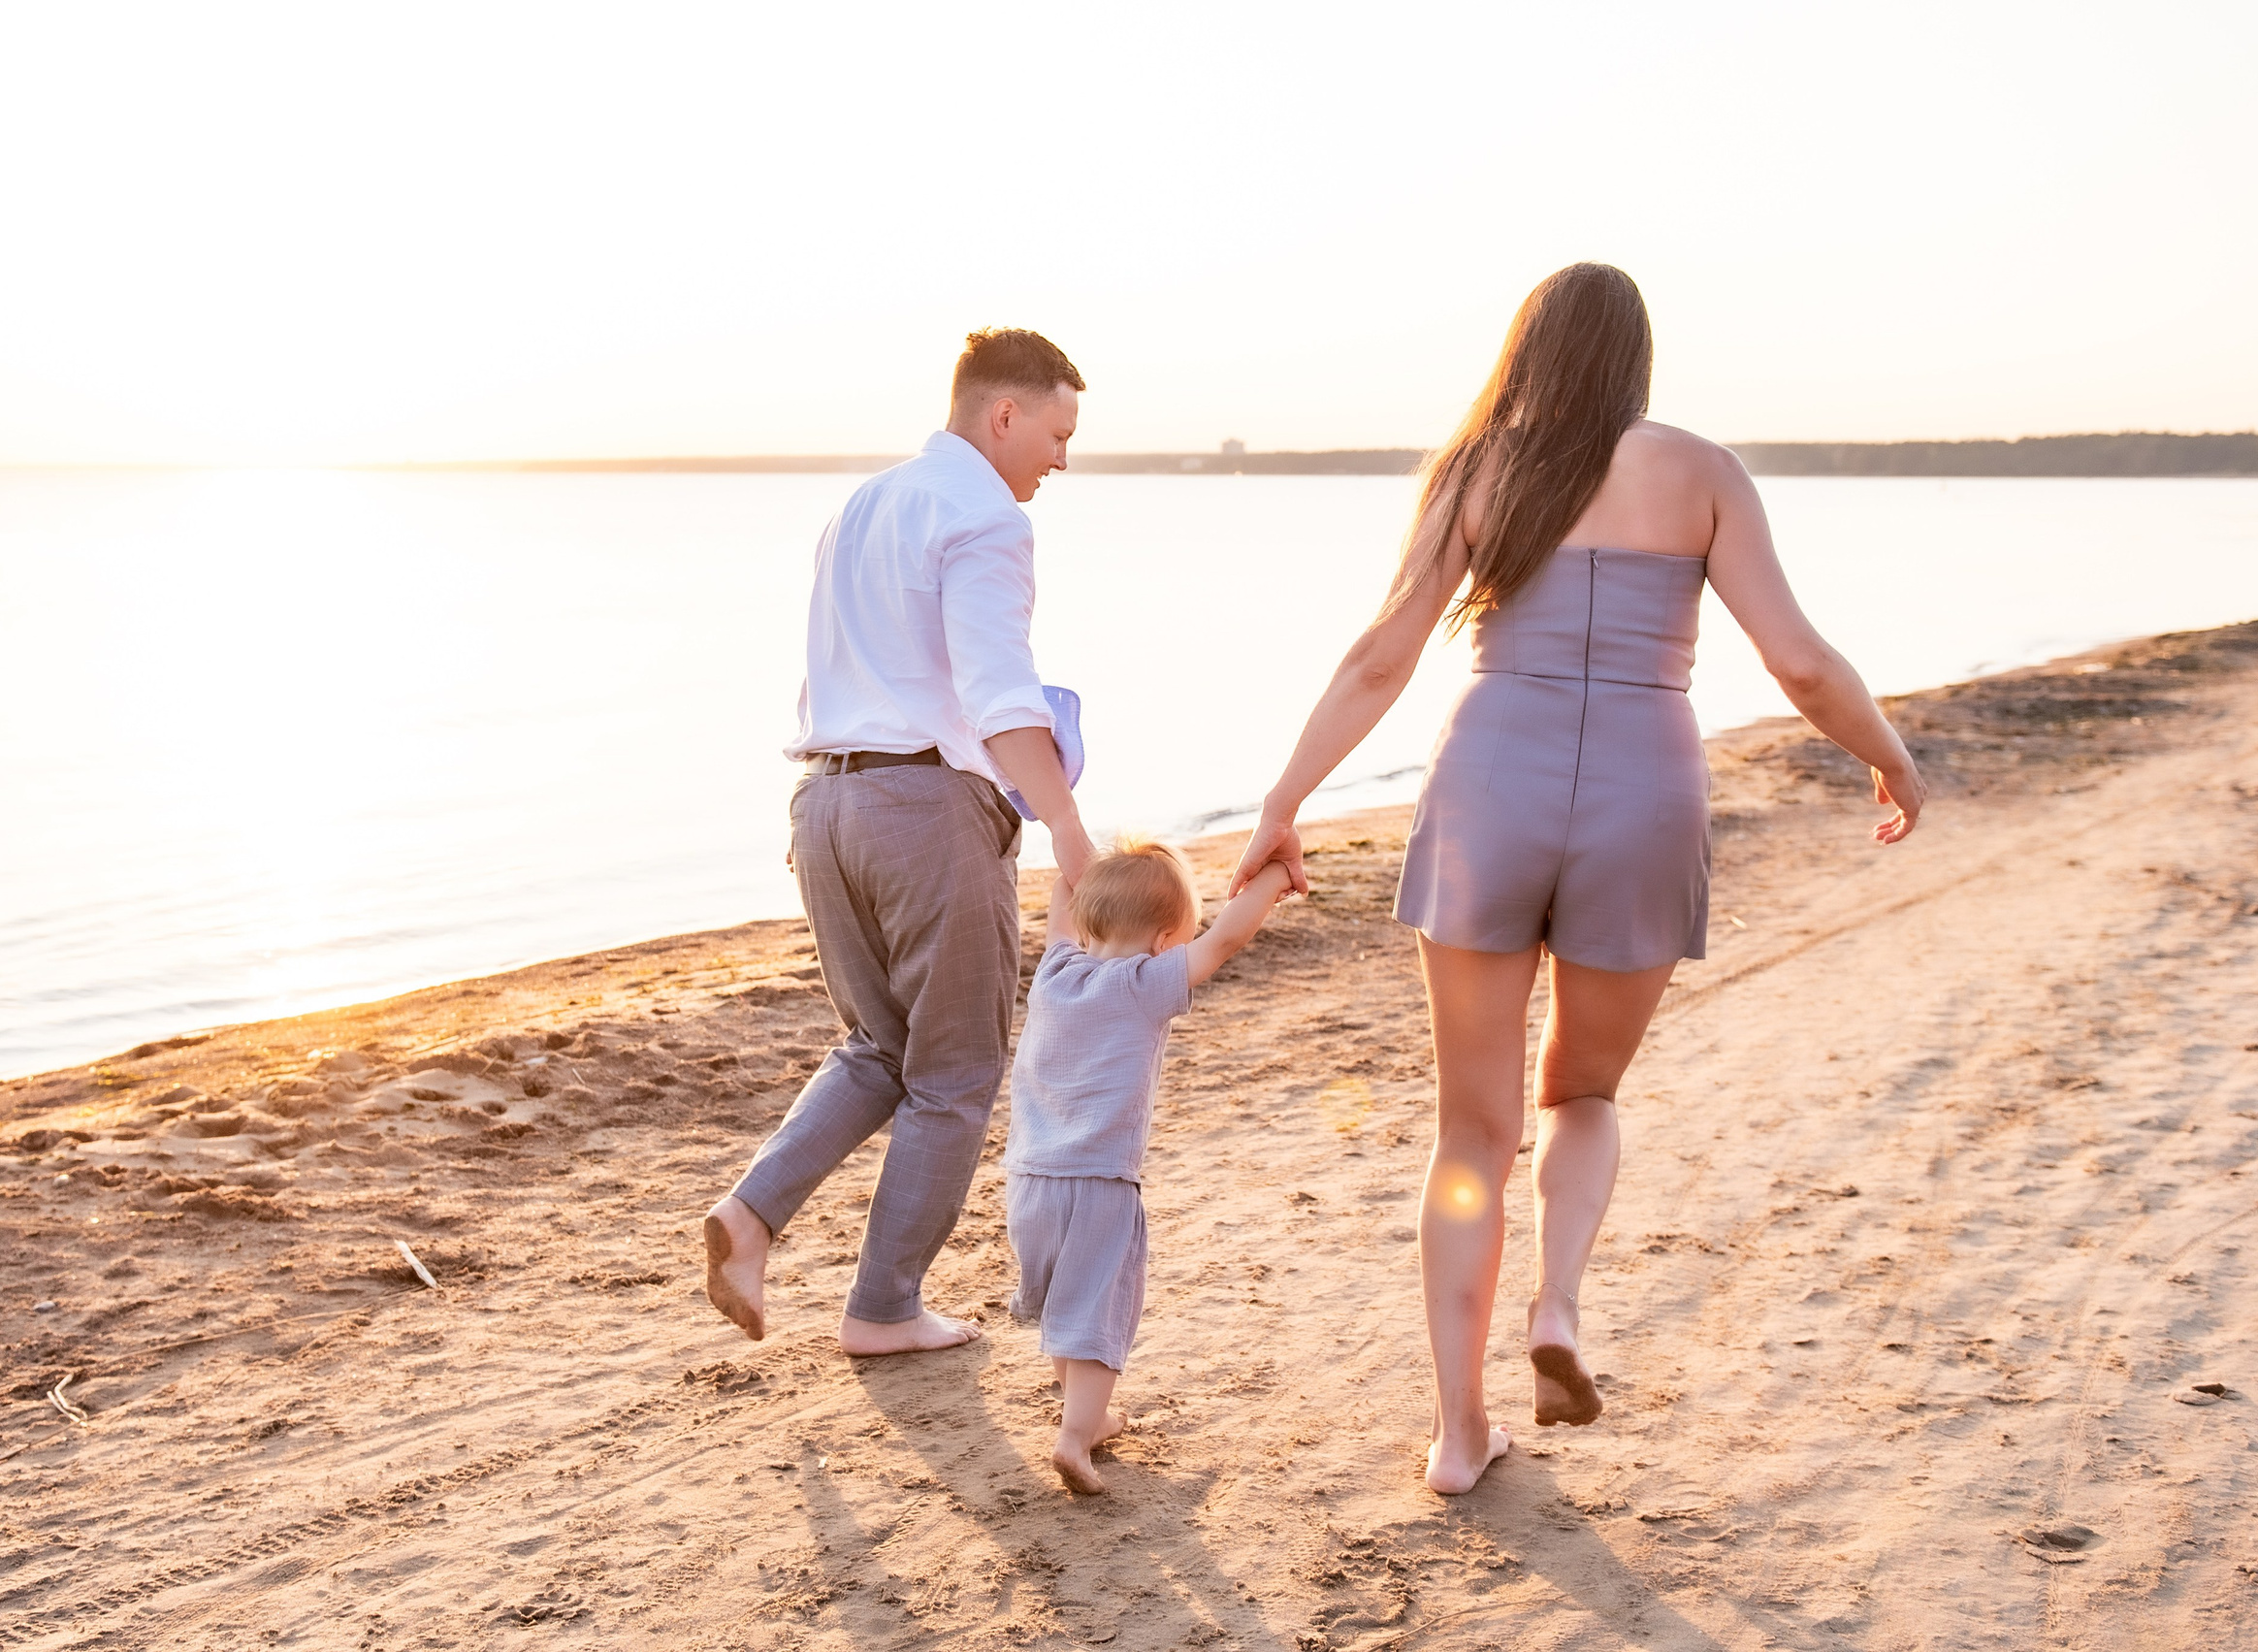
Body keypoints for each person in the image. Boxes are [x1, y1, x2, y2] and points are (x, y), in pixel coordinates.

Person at [1229, 263, 1926, 1494]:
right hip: (1642, 792)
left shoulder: (1477, 468)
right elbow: (1803, 665)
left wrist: (1281, 801)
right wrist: (1890, 755)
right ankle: (1555, 1305)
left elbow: (1383, 653)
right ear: (1635, 357)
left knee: (1470, 1127)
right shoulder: (1701, 470)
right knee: (1581, 1092)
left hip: (1490, 780)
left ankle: (1457, 1433)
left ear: (1527, 351)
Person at [704, 329, 1099, 1357]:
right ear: (1002, 415)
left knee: (879, 1049)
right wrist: (1064, 821)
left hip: (824, 807)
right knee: (958, 1068)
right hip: (923, 812)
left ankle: (749, 1216)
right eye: (1056, 433)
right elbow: (996, 687)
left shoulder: (864, 504)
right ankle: (882, 1306)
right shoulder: (985, 521)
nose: (1061, 458)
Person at [1006, 839, 1295, 1494]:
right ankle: (1075, 1438)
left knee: (1064, 1306)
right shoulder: (1144, 985)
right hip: (1100, 1181)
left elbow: (1060, 898)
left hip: (1027, 1182)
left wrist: (1074, 862)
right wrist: (1275, 874)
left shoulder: (1054, 970)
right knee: (1102, 1308)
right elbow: (1226, 938)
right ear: (1166, 938)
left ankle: (1091, 1416)